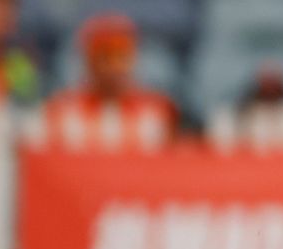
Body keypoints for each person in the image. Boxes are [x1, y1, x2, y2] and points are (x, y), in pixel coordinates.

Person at [37, 14, 181, 149]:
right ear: (89, 60)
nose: (114, 66)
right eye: (105, 56)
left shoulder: (159, 112)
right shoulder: (61, 112)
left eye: (122, 56)